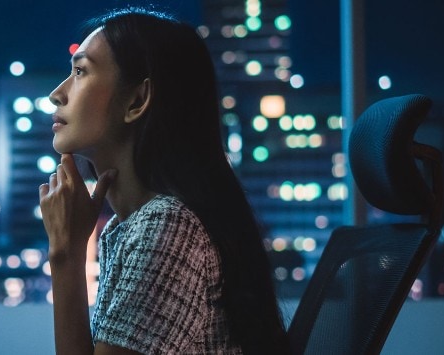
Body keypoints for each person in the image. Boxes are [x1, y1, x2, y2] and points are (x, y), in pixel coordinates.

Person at [38, 6, 290, 355]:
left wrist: (65, 255)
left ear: (137, 100)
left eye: (81, 71)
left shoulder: (169, 226)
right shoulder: (127, 227)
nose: (58, 93)